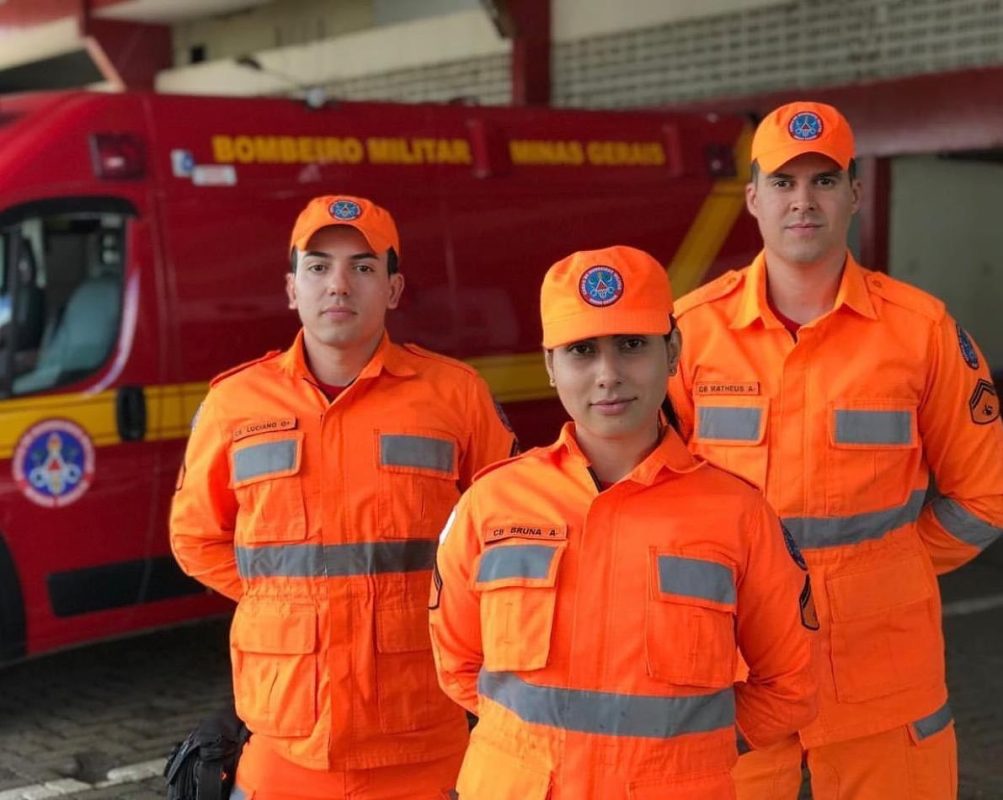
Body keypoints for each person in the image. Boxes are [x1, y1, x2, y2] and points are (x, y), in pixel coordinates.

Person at [668, 101, 1003, 800]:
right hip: (732, 674)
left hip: (881, 677)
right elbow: (646, 497)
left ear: (853, 194)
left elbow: (986, 493)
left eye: (824, 181)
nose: (803, 201)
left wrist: (888, 565)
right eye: (784, 183)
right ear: (752, 197)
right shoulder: (688, 334)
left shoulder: (921, 332)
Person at [429, 245, 817, 800]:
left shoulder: (738, 516)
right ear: (550, 365)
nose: (608, 375)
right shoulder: (491, 504)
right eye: (582, 350)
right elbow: (458, 664)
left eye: (631, 345)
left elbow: (790, 685)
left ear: (673, 350)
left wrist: (687, 753)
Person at [170, 194, 517, 800]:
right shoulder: (235, 404)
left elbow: (511, 538)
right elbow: (197, 538)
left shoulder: (455, 396)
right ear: (291, 288)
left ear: (394, 288)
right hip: (285, 738)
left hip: (425, 735)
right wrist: (288, 603)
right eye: (318, 267)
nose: (339, 284)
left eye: (362, 267)